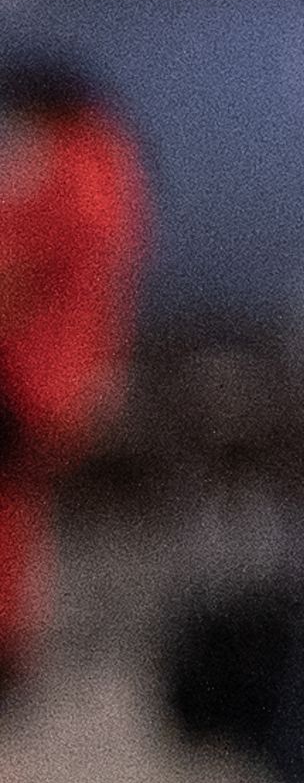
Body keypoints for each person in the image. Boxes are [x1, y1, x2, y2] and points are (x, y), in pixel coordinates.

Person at [0, 56, 149, 700]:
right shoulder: (116, 165)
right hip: (74, 379)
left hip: (25, 372)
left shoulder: (59, 166)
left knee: (10, 514)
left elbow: (15, 269)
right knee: (22, 513)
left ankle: (8, 651)